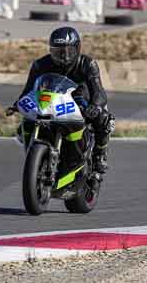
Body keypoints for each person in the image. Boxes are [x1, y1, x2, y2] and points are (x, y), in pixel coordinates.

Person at [8, 26, 115, 175]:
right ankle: (34, 157)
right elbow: (29, 90)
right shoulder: (40, 65)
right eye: (58, 52)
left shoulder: (88, 64)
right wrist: (18, 104)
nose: (64, 56)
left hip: (80, 100)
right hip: (51, 100)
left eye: (69, 51)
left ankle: (99, 155)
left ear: (77, 49)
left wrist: (95, 105)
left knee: (104, 119)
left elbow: (98, 91)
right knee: (24, 125)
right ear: (50, 50)